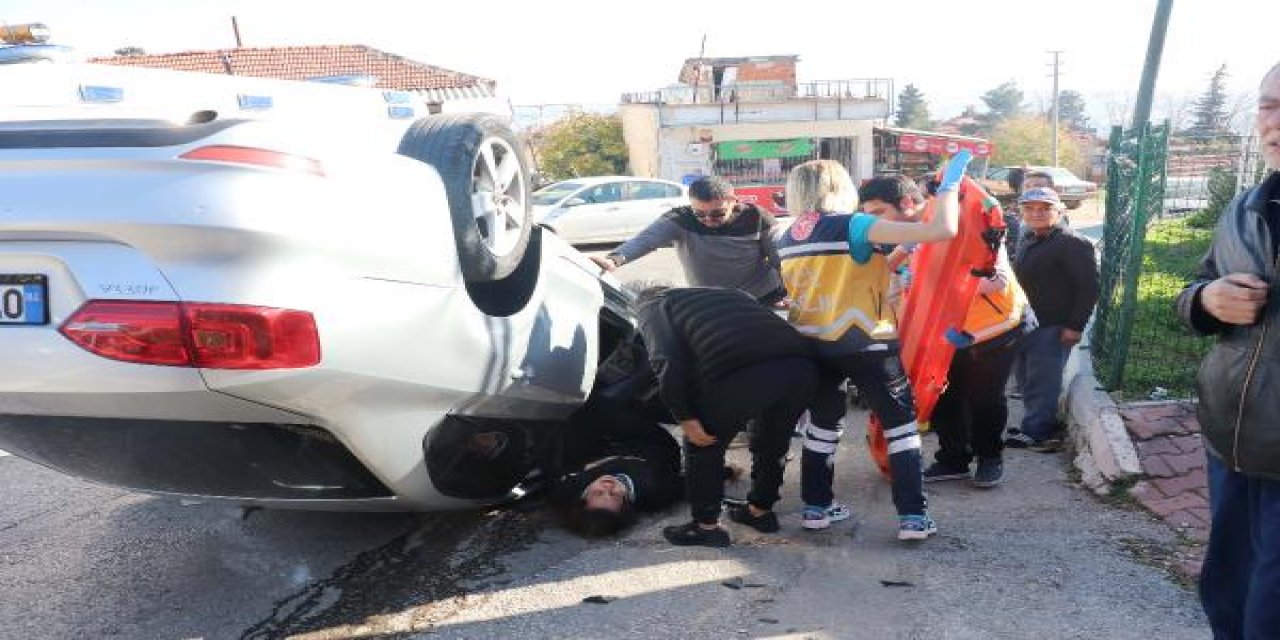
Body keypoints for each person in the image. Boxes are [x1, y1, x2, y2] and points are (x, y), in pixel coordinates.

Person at [775, 153, 971, 541]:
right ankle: (913, 517)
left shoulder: (786, 234)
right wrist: (949, 187)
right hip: (867, 341)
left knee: (823, 426)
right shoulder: (856, 223)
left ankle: (816, 508)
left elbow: (852, 268)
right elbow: (943, 228)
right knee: (901, 426)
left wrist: (900, 254)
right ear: (839, 188)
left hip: (812, 344)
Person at [1175, 60, 1280, 639]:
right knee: (1228, 599)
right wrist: (1207, 299)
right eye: (1268, 104)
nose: (1275, 121)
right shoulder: (1244, 208)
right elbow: (1198, 286)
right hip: (1231, 445)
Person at [862, 176, 1035, 488]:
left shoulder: (963, 220)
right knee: (942, 394)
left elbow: (996, 281)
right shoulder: (916, 234)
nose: (873, 221)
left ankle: (989, 458)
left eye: (877, 212)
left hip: (992, 328)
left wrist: (931, 289)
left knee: (985, 399)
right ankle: (953, 458)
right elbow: (895, 274)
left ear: (906, 204)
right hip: (944, 331)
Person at [635, 285, 817, 547]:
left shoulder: (653, 305)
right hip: (802, 366)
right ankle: (760, 512)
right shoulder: (731, 294)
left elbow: (665, 360)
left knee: (703, 441)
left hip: (745, 370)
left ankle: (706, 526)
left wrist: (684, 416)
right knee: (771, 440)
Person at [591, 176, 787, 306]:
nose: (708, 220)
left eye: (718, 213)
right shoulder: (680, 219)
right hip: (710, 300)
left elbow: (781, 258)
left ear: (734, 201)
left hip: (762, 297)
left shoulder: (758, 217)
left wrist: (792, 294)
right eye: (699, 214)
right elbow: (645, 240)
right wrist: (614, 259)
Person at [1004, 187, 1098, 451]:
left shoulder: (1072, 243)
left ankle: (1038, 431)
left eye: (1044, 208)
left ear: (1059, 212)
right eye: (1030, 209)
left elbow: (1088, 287)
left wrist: (1075, 325)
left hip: (1053, 325)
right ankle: (1033, 423)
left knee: (1043, 380)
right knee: (1025, 378)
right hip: (1026, 323)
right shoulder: (1029, 239)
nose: (1036, 213)